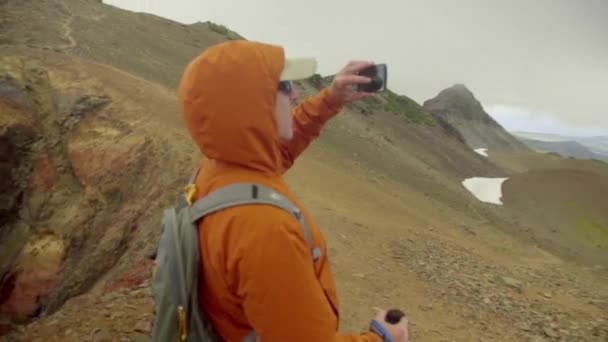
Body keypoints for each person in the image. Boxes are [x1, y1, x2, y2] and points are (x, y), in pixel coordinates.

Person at [177, 39, 409, 342]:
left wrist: (330, 100)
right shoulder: (265, 230)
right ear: (251, 103)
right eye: (284, 86)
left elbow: (273, 152)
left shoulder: (215, 170)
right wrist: (383, 338)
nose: (296, 93)